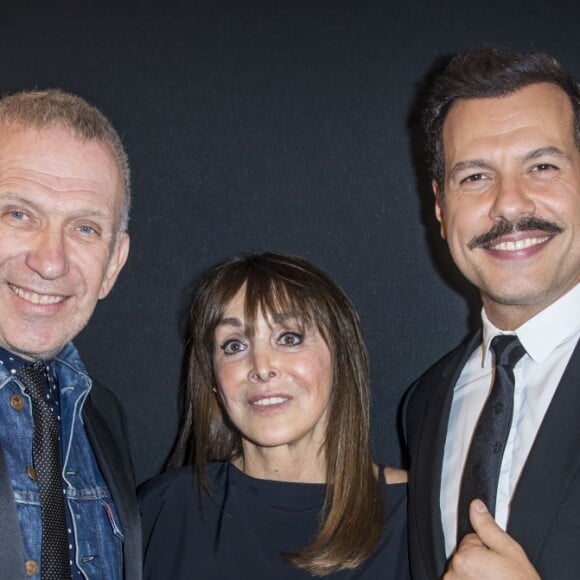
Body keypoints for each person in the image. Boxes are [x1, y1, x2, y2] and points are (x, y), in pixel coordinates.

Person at [403, 48, 580, 579]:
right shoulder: (425, 404)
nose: (509, 204)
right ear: (439, 206)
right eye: (475, 177)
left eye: (542, 166)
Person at [139, 252, 409, 579]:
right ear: (211, 379)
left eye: (289, 338)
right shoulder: (162, 510)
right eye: (234, 346)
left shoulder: (416, 513)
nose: (262, 367)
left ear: (340, 359)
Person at [0, 89, 141, 579]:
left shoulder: (103, 415)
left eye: (84, 229)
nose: (50, 261)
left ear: (113, 265)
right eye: (19, 214)